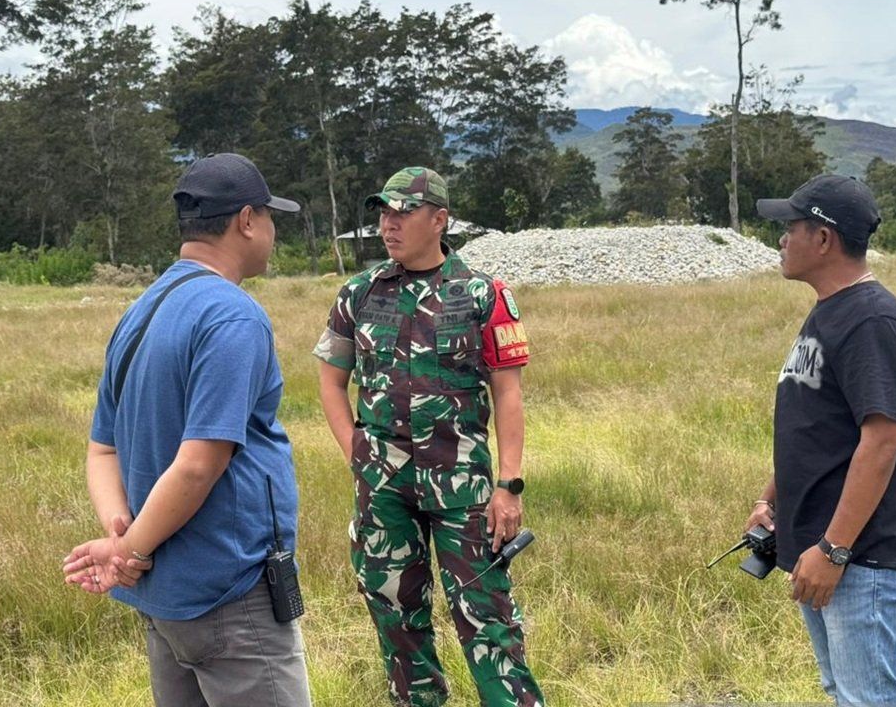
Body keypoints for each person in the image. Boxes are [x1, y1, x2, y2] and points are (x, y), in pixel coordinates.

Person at [62, 153, 312, 707]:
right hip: (229, 592)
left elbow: (102, 449)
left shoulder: (142, 310)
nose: (272, 232)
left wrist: (122, 536)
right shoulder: (232, 315)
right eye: (270, 218)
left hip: (164, 599)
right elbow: (200, 463)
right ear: (247, 220)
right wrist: (129, 548)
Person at [313, 167, 545, 707]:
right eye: (383, 213)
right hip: (384, 489)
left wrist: (509, 485)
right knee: (395, 614)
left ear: (439, 220)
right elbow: (331, 380)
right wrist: (357, 452)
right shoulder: (359, 294)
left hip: (463, 488)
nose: (387, 225)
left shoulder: (482, 294)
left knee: (488, 619)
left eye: (402, 213)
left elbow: (507, 393)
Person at [749, 174, 896, 707]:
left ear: (824, 239)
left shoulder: (872, 320)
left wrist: (834, 549)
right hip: (827, 549)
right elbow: (818, 432)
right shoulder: (830, 311)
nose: (781, 240)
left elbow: (882, 440)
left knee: (868, 700)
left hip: (861, 558)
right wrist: (770, 501)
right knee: (847, 694)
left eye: (790, 227)